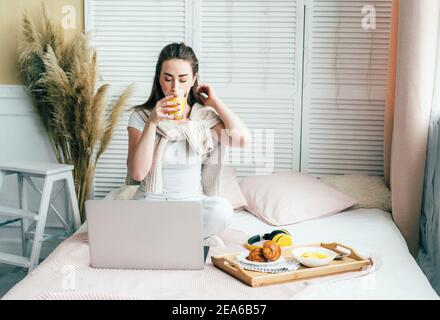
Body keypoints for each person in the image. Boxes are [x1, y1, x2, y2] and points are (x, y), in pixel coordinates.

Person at [126, 42, 250, 246]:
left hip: (192, 204)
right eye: (168, 79)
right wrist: (152, 123)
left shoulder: (202, 117)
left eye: (183, 79)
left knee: (222, 210)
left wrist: (215, 102)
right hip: (152, 203)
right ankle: (191, 239)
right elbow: (138, 173)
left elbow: (241, 140)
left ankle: (169, 239)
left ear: (193, 80)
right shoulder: (141, 117)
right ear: (159, 79)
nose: (175, 88)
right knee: (134, 219)